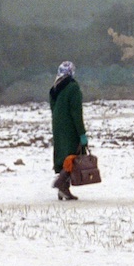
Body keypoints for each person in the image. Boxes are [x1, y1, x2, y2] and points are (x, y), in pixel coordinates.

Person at [49, 61, 86, 201]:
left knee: (62, 156)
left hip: (58, 127)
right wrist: (82, 133)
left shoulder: (54, 88)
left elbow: (53, 109)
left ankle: (63, 189)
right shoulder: (73, 88)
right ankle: (61, 185)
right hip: (70, 128)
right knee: (73, 157)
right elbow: (76, 112)